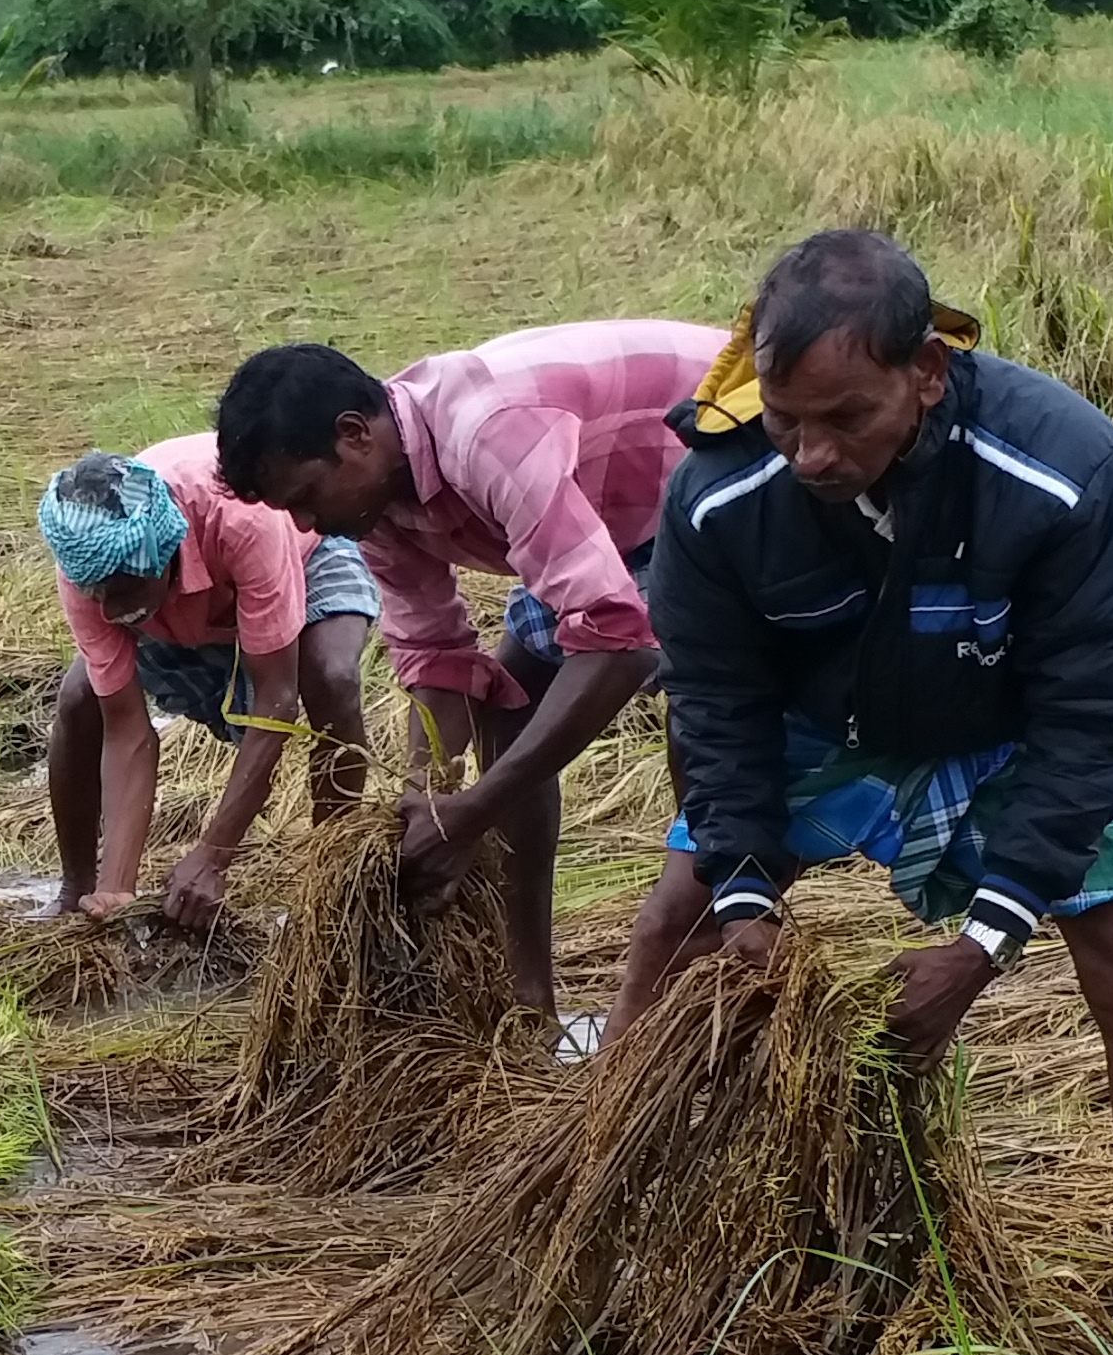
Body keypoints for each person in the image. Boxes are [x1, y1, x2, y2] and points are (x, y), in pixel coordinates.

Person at [635, 228, 1113, 1355]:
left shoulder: (1065, 470)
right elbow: (716, 705)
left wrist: (985, 941)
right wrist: (747, 889)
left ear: (926, 374)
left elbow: (1092, 724)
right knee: (676, 925)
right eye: (788, 419)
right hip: (818, 723)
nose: (809, 453)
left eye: (845, 419)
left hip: (1003, 724)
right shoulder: (717, 495)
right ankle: (614, 1214)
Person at [213, 320, 728, 1015]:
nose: (309, 526)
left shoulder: (487, 433)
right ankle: (530, 997)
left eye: (307, 495)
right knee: (508, 703)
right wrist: (429, 797)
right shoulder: (373, 506)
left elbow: (619, 642)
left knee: (705, 712)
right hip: (618, 513)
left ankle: (703, 942)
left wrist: (475, 811)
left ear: (355, 434)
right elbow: (438, 657)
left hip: (732, 458)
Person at [35, 438, 380, 927]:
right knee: (78, 698)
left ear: (162, 551)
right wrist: (117, 890)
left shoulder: (241, 517)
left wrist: (213, 854)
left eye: (123, 591)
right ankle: (77, 888)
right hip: (184, 601)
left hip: (302, 552)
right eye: (100, 597)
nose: (111, 612)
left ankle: (333, 884)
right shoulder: (88, 563)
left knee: (332, 677)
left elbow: (275, 701)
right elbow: (127, 731)